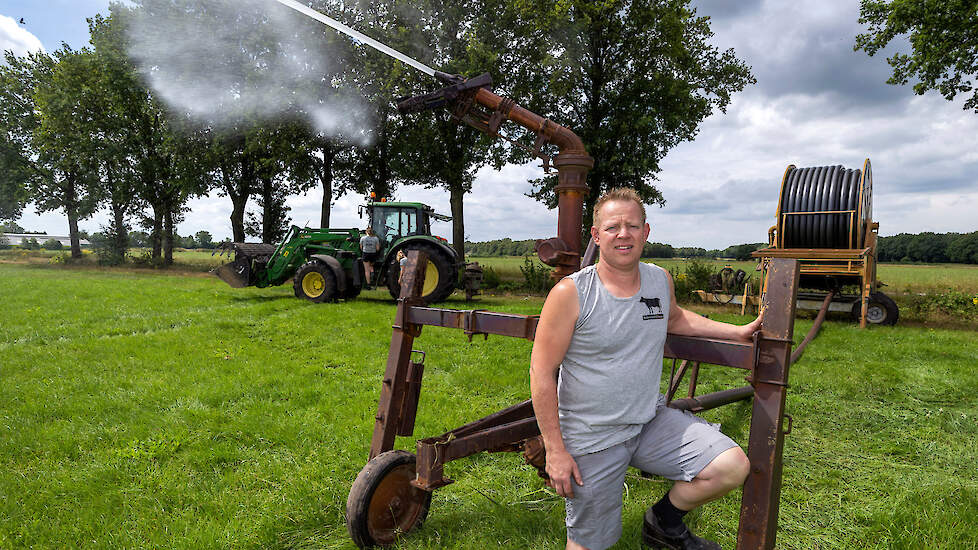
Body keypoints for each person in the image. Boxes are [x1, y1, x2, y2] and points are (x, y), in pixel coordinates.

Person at [529, 188, 762, 550]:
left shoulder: (658, 279)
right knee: (590, 544)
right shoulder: (571, 294)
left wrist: (739, 331)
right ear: (596, 235)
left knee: (730, 467)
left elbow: (677, 318)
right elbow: (541, 372)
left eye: (632, 226)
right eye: (612, 227)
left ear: (646, 232)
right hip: (593, 437)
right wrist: (555, 450)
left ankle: (663, 522)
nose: (623, 234)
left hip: (647, 420)